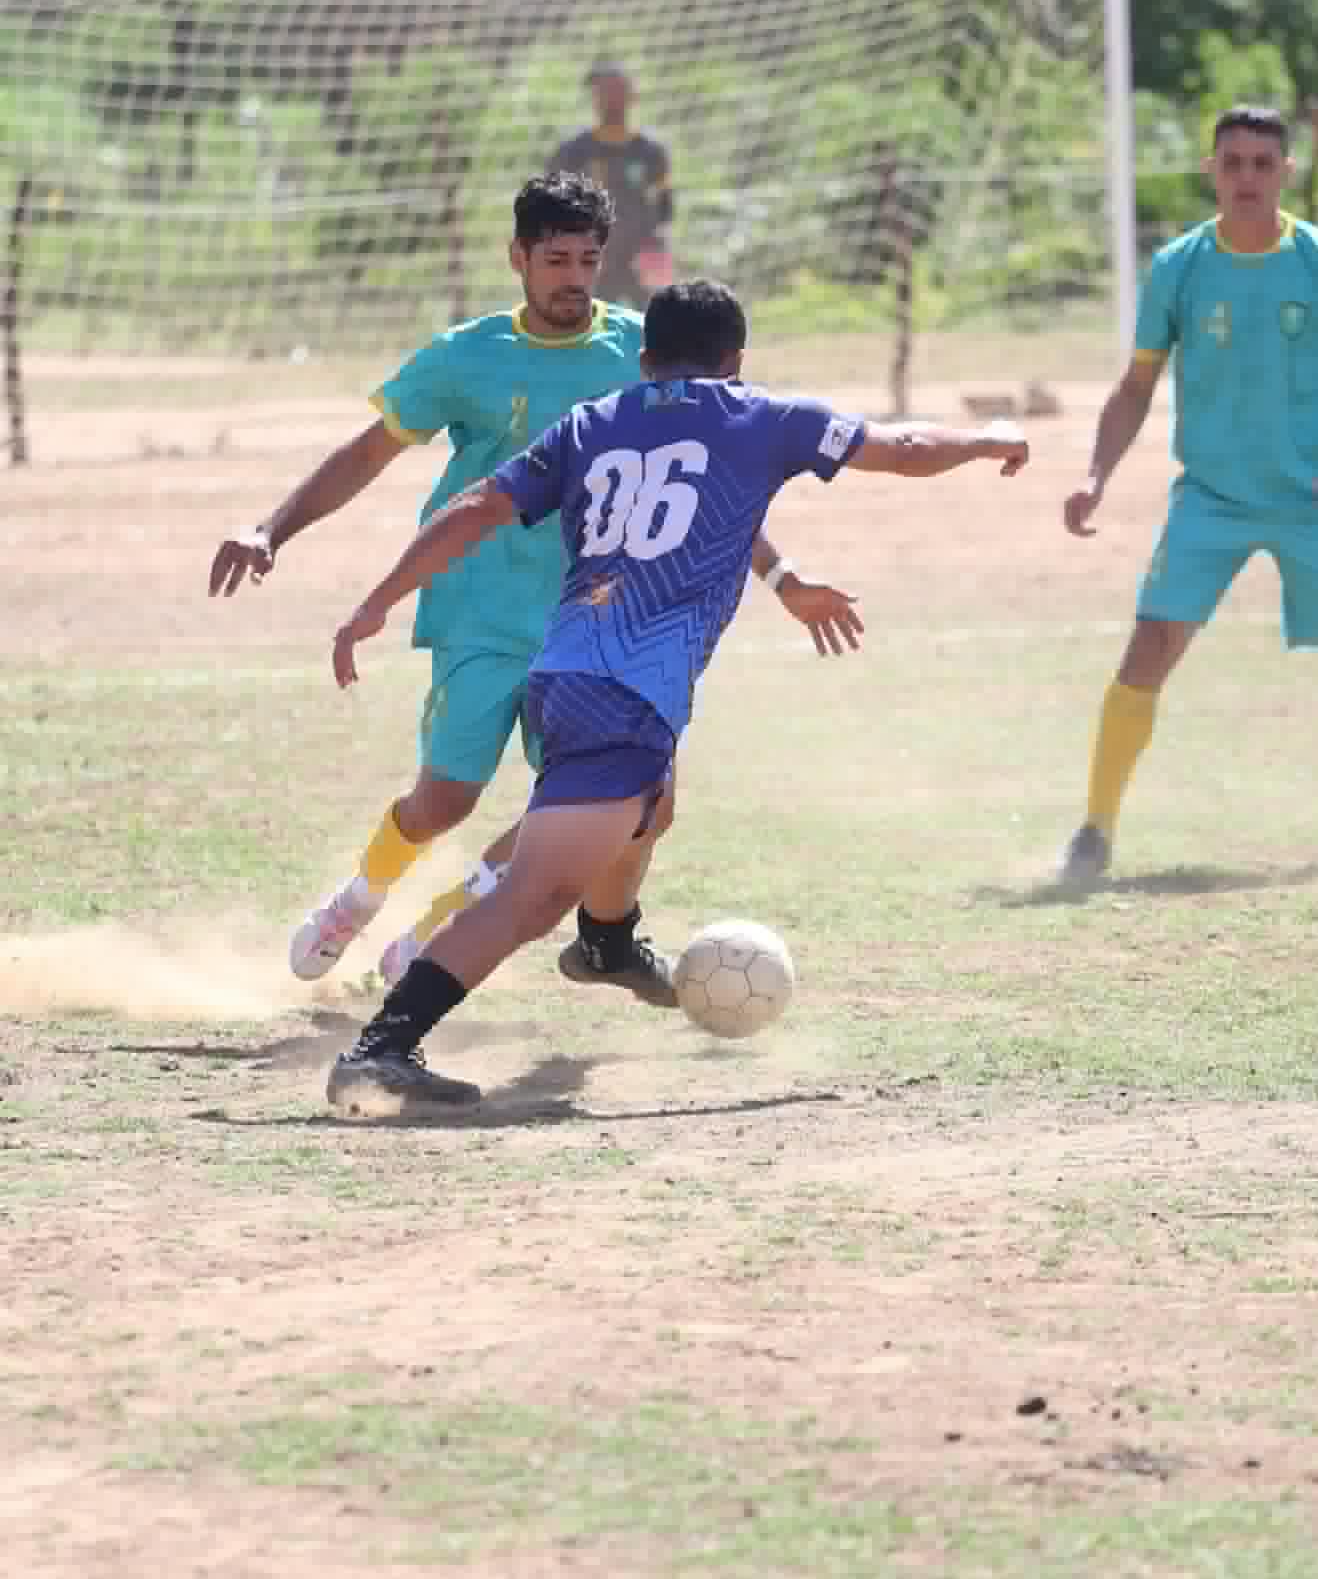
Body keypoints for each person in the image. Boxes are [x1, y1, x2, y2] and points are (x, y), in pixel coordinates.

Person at [321, 278, 1031, 1114]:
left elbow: (477, 506)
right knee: (532, 896)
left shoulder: (590, 423)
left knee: (651, 809)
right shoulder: (763, 417)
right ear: (736, 359)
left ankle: (607, 943)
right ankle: (381, 1048)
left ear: (647, 356)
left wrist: (378, 600)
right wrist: (989, 437)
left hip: (569, 671)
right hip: (622, 693)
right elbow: (903, 446)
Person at [207, 173, 859, 999]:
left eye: (588, 260)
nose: (574, 279)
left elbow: (699, 488)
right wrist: (271, 529)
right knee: (444, 801)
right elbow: (369, 453)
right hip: (481, 608)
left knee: (588, 802)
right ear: (518, 257)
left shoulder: (645, 355)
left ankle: (434, 931)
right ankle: (360, 899)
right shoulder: (465, 355)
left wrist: (782, 574)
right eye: (556, 261)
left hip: (600, 628)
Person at [1052, 104, 1318, 894]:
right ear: (1211, 171)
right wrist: (1095, 475)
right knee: (1147, 651)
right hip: (1212, 499)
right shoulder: (1179, 268)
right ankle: (1095, 830)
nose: (1246, 176)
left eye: (1262, 163)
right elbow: (1137, 383)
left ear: (1286, 171)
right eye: (1232, 163)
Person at [550, 63, 673, 310]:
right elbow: (553, 206)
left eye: (615, 90)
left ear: (632, 96)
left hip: (641, 255)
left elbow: (665, 208)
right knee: (591, 321)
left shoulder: (651, 151)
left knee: (654, 320)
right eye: (601, 91)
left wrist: (655, 248)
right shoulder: (573, 151)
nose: (608, 98)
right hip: (593, 256)